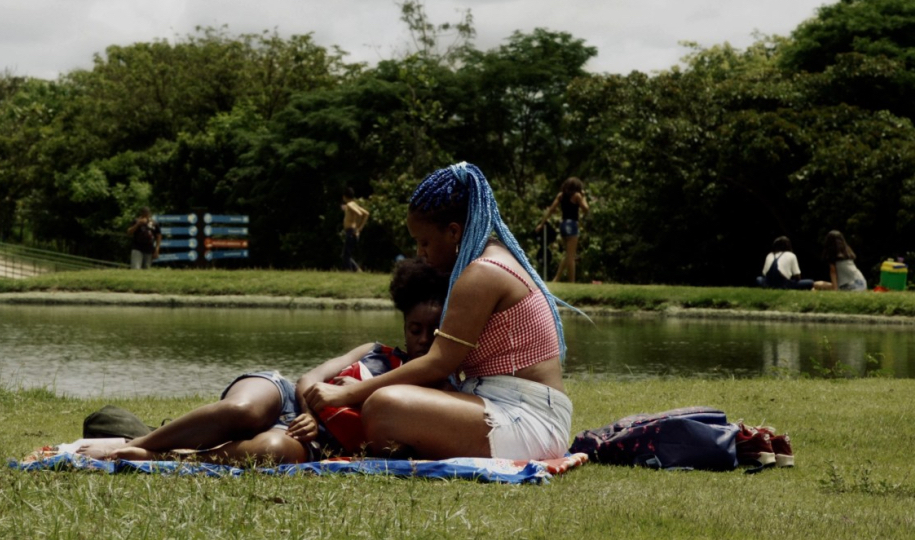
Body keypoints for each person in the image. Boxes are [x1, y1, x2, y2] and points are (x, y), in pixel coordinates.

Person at [306, 162, 572, 462]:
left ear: (454, 232)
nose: (420, 253)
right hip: (503, 406)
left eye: (424, 242)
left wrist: (351, 393)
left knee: (383, 407)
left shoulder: (482, 274)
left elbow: (438, 363)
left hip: (529, 421)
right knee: (383, 404)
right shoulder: (488, 257)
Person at [76, 257, 448, 464]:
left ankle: (164, 453)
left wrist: (328, 418)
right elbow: (310, 377)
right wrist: (310, 411)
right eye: (415, 328)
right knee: (244, 410)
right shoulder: (375, 351)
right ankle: (143, 440)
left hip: (317, 442)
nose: (422, 339)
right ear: (403, 325)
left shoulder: (436, 384)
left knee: (272, 451)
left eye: (433, 331)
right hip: (288, 399)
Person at [537, 177, 590, 283]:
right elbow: (586, 209)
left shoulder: (561, 195)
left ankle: (556, 278)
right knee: (571, 257)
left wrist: (542, 224)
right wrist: (583, 197)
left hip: (563, 224)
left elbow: (551, 209)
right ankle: (572, 282)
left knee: (568, 254)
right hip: (572, 224)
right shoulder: (577, 196)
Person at [340, 187, 370, 272]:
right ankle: (357, 270)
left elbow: (360, 214)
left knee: (346, 255)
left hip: (351, 231)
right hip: (352, 232)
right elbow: (366, 213)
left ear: (344, 196)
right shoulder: (353, 204)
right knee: (347, 254)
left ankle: (351, 271)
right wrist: (360, 228)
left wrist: (357, 227)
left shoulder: (349, 205)